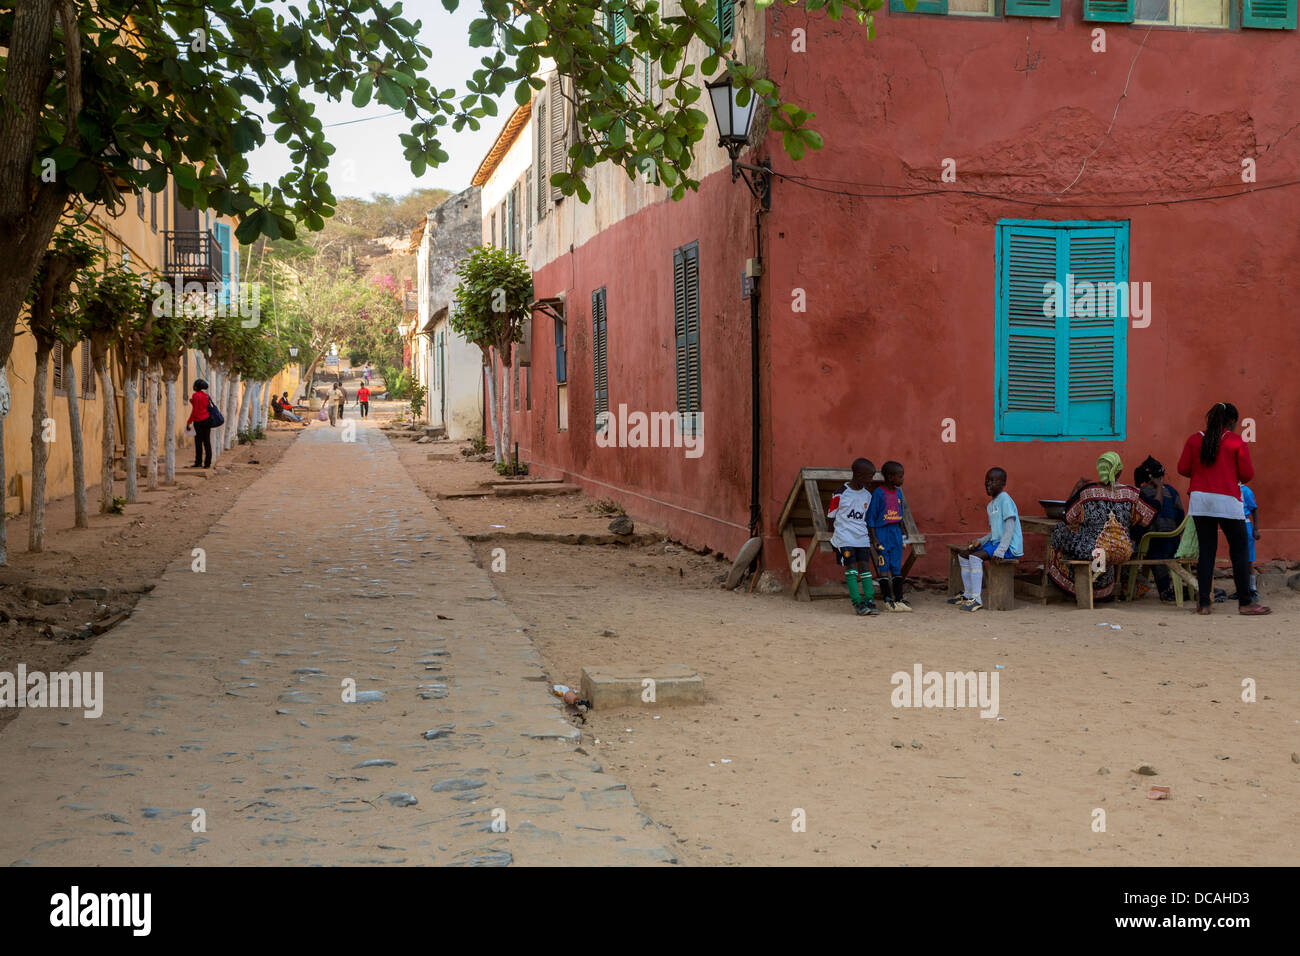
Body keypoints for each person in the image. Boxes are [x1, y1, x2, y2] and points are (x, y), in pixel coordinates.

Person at [1176, 402, 1268, 615]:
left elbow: (1183, 468)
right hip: (1227, 500)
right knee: (1239, 550)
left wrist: (1202, 476)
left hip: (1200, 500)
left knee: (1207, 551)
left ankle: (1204, 605)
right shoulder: (1235, 441)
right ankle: (1245, 602)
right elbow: (1246, 475)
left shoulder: (1194, 439)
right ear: (1233, 422)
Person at [1047, 451, 1155, 601]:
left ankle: (1069, 581)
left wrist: (1077, 488)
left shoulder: (1087, 492)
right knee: (1102, 553)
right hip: (1120, 549)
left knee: (1060, 531)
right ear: (1119, 470)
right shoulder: (1131, 494)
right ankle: (1100, 588)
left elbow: (1068, 516)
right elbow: (1152, 511)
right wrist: (1160, 485)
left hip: (1092, 549)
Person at [950, 467, 1023, 612]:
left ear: (1003, 483)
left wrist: (1001, 550)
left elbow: (1010, 527)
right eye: (986, 481)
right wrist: (981, 541)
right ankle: (968, 594)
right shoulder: (991, 505)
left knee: (976, 558)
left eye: (993, 481)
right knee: (964, 555)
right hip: (996, 543)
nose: (988, 484)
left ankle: (976, 600)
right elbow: (994, 532)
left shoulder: (1005, 499)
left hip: (1009, 547)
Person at [827, 458, 881, 616]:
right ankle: (857, 603)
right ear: (857, 475)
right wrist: (834, 535)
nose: (870, 480)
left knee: (865, 568)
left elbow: (867, 517)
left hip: (862, 538)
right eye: (868, 476)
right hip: (845, 538)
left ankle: (869, 600)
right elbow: (831, 516)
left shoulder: (867, 495)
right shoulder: (840, 493)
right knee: (851, 569)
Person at [1130, 455, 1185, 602]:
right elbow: (1181, 517)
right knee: (1161, 545)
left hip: (1149, 544)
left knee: (1151, 544)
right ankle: (1169, 589)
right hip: (1174, 542)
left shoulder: (1139, 493)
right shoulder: (1172, 492)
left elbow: (1136, 521)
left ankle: (1164, 589)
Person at [866, 461, 912, 612]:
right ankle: (887, 599)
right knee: (883, 566)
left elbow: (900, 514)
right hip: (882, 532)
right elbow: (871, 518)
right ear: (891, 477)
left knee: (896, 566)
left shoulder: (898, 492)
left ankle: (899, 598)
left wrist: (903, 531)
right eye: (900, 476)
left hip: (895, 533)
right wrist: (875, 539)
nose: (903, 479)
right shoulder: (878, 493)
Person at [185, 378, 214, 468]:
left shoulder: (195, 395)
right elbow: (204, 407)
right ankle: (207, 463)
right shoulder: (206, 396)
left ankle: (198, 462)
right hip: (207, 420)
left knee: (198, 443)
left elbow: (195, 410)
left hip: (199, 421)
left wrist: (189, 421)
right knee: (207, 442)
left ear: (196, 387)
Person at [1240, 480, 1259, 602]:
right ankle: (1241, 588)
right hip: (1234, 525)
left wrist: (1255, 529)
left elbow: (1254, 510)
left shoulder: (1245, 490)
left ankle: (1252, 589)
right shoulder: (1228, 488)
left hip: (1245, 525)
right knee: (1239, 559)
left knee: (1248, 559)